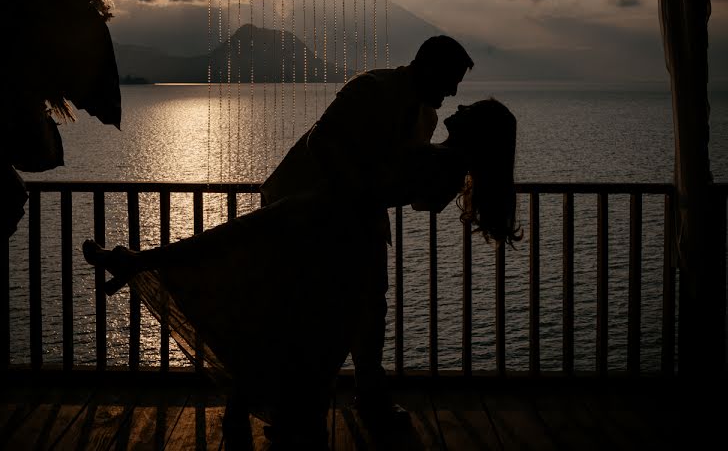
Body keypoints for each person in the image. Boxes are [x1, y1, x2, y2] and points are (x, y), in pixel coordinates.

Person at [83, 98, 522, 450]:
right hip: (329, 224)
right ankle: (136, 261)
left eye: (470, 110)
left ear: (478, 130)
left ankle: (136, 262)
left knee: (232, 256)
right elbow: (403, 190)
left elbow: (371, 177)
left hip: (323, 220)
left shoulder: (443, 163)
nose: (458, 108)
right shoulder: (445, 164)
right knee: (238, 263)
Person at [259, 34, 474, 428]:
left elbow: (400, 181)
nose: (453, 90)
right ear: (429, 67)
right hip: (304, 213)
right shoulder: (370, 88)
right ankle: (293, 410)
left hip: (359, 218)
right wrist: (357, 190)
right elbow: (320, 141)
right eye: (451, 78)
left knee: (370, 309)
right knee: (311, 313)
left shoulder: (426, 117)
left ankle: (364, 397)